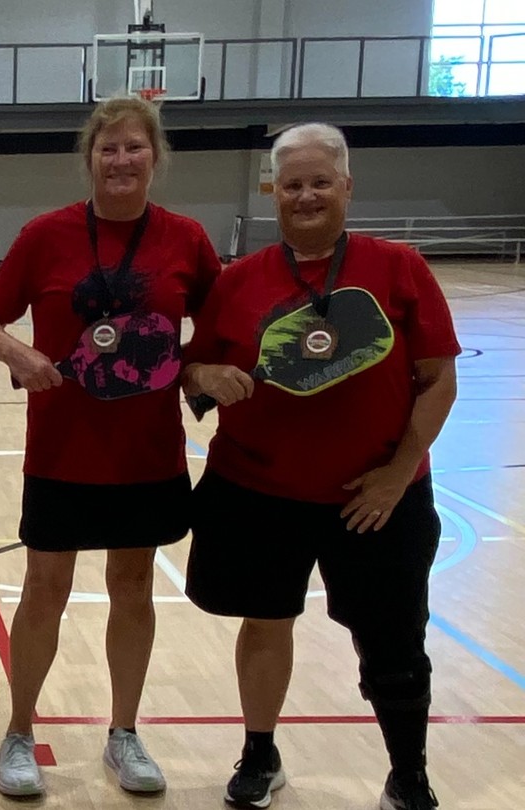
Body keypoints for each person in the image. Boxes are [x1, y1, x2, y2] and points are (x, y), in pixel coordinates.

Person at [182, 123, 457, 810]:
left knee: (393, 642)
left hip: (374, 498)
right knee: (264, 624)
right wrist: (208, 372)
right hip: (257, 493)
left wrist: (399, 473)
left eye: (320, 181)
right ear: (274, 190)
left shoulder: (399, 267)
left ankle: (408, 774)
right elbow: (193, 367)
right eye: (293, 183)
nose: (306, 195)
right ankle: (259, 753)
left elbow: (438, 378)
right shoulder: (239, 279)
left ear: (347, 187)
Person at [0, 95, 223, 798]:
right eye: (107, 148)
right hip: (61, 451)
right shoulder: (45, 234)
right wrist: (19, 355)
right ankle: (19, 731)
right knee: (45, 589)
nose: (120, 160)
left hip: (146, 452)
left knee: (133, 586)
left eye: (134, 147)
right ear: (89, 159)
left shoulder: (186, 239)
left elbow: (223, 317)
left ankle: (124, 734)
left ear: (155, 157)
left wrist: (194, 369)